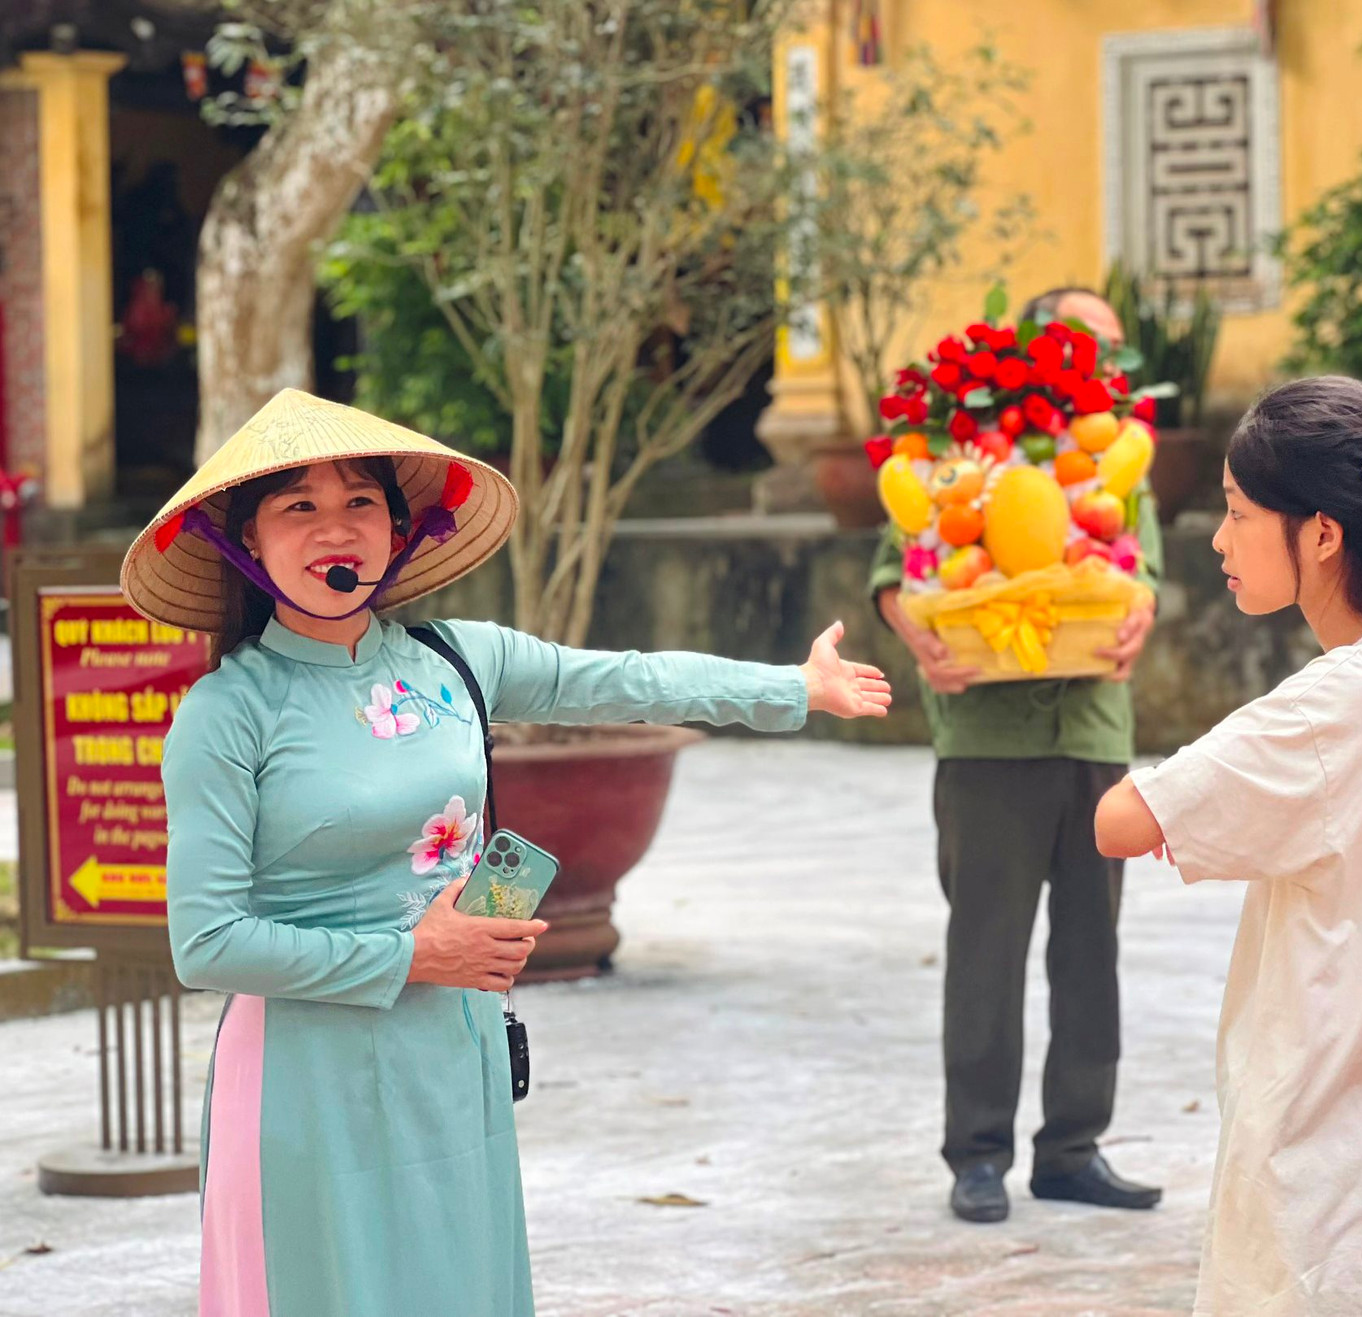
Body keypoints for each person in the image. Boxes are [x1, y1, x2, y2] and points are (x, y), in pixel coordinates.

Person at [130, 390, 891, 1317]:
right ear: (248, 540)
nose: (336, 528)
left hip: (452, 1048)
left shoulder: (455, 659)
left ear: (399, 529)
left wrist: (795, 687)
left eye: (361, 500)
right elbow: (206, 943)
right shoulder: (228, 712)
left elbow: (627, 681)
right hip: (308, 1071)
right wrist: (415, 955)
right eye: (299, 505)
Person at [1093, 376, 1362, 1316]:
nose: (1220, 539)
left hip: (1325, 1168)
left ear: (1322, 533)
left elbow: (1124, 818)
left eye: (1238, 512)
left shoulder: (1346, 697)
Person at [872, 287, 1163, 1224]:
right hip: (986, 739)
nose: (1106, 362)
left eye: (1114, 349)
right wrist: (921, 640)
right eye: (1085, 344)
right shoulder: (958, 448)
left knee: (1091, 952)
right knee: (985, 953)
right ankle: (978, 1152)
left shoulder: (1116, 454)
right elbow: (895, 571)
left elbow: (1144, 570)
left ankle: (1073, 1147)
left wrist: (1142, 614)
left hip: (1092, 733)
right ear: (1037, 350)